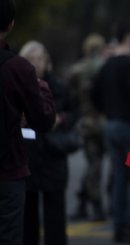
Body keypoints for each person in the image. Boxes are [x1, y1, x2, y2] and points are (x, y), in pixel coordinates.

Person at [91, 21, 130, 243]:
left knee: (119, 177)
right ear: (129, 35)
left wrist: (107, 112)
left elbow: (94, 92)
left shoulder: (107, 64)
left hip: (111, 125)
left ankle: (119, 227)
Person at [0, 1, 56, 244]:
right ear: (10, 24)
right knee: (9, 234)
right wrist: (40, 87)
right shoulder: (18, 68)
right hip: (7, 169)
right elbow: (43, 120)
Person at [20, 40, 76, 245]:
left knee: (55, 212)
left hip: (53, 153)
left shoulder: (59, 85)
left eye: (39, 59)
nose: (35, 64)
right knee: (28, 212)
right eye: (30, 59)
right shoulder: (18, 84)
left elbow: (73, 112)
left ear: (47, 62)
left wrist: (61, 119)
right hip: (28, 156)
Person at [68, 33, 107, 221]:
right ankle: (95, 205)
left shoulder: (77, 70)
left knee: (93, 162)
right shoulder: (106, 67)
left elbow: (72, 97)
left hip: (86, 121)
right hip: (103, 120)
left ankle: (85, 203)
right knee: (98, 164)